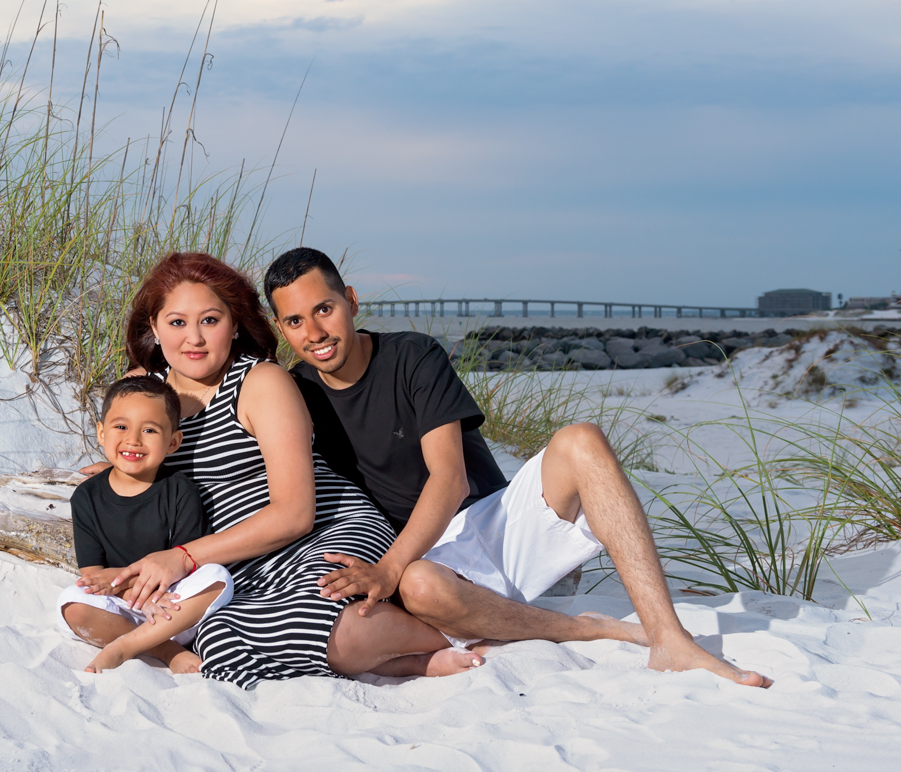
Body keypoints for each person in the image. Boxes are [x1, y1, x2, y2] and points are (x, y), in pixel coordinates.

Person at [262, 246, 771, 688]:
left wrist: (388, 569)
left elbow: (450, 477)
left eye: (324, 309)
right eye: (295, 321)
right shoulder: (297, 393)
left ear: (350, 300)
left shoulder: (413, 355)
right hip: (434, 564)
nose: (314, 332)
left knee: (581, 439)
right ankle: (586, 627)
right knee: (418, 583)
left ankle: (669, 638)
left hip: (496, 522)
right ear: (281, 329)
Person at [74, 252, 483, 688]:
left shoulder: (261, 382)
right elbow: (134, 448)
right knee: (215, 639)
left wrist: (183, 557)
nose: (193, 339)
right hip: (238, 560)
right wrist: (124, 470)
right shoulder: (146, 388)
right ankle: (398, 658)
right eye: (177, 323)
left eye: (210, 321)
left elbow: (295, 514)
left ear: (234, 323)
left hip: (324, 532)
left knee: (330, 628)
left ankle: (440, 639)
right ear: (154, 328)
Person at [57, 374, 235, 674]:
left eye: (150, 430)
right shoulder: (86, 496)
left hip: (173, 608)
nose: (133, 440)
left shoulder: (180, 491)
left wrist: (154, 596)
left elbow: (190, 561)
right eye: (121, 427)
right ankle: (163, 649)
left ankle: (125, 646)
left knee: (218, 577)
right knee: (71, 601)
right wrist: (134, 595)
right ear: (101, 432)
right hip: (122, 606)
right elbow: (92, 576)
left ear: (173, 442)